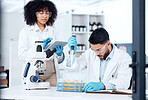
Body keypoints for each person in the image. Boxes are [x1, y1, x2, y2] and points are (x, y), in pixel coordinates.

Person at [67, 28, 132, 91]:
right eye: (94, 50)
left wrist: (103, 85)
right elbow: (74, 68)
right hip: (92, 96)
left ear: (108, 43)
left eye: (99, 49)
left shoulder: (124, 57)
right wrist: (72, 52)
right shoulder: (90, 53)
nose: (96, 53)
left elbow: (124, 82)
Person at [18, 0, 64, 86]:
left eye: (47, 13)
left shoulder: (53, 31)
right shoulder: (26, 31)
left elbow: (57, 57)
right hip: (34, 70)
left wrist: (59, 54)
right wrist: (40, 51)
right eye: (41, 12)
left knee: (53, 97)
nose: (44, 16)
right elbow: (22, 54)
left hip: (52, 72)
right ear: (33, 13)